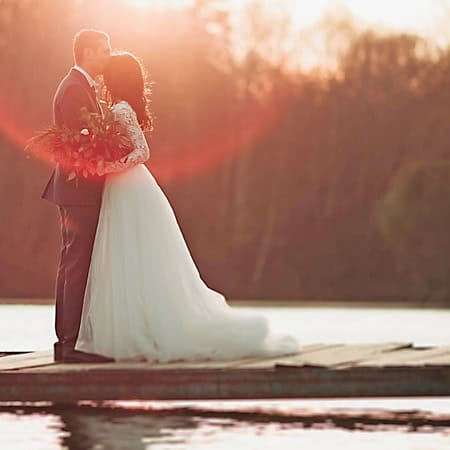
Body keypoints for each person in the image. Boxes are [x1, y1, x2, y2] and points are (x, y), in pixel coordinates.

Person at [75, 51, 299, 362]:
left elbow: (142, 151)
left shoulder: (122, 110)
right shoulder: (119, 109)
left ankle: (140, 330)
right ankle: (132, 326)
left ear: (116, 78)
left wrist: (108, 166)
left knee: (131, 253)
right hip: (124, 187)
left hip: (129, 187)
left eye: (108, 72)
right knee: (126, 256)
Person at [42, 29, 115, 363]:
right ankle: (69, 345)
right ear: (86, 52)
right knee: (75, 264)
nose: (108, 56)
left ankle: (70, 342)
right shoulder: (73, 89)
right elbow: (78, 147)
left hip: (78, 191)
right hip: (77, 191)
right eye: (104, 50)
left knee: (73, 263)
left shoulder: (81, 86)